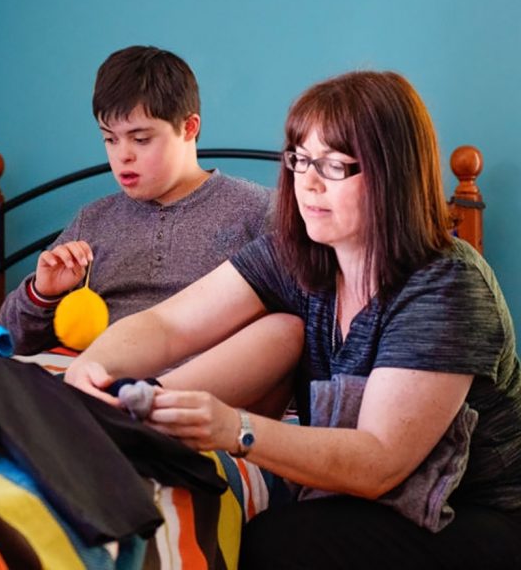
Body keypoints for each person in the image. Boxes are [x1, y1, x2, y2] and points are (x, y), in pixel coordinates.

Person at [65, 70, 521, 568]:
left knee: (279, 542)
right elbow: (169, 325)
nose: (308, 183)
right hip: (380, 496)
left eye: (334, 165)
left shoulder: (445, 284)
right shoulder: (298, 253)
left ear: (395, 173)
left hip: (476, 512)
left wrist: (235, 428)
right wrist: (92, 367)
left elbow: (378, 462)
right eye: (300, 160)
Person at [0, 45, 275, 356]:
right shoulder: (93, 220)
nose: (122, 155)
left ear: (189, 127)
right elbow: (10, 339)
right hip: (98, 377)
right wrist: (43, 293)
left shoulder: (257, 210)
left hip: (207, 379)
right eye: (109, 139)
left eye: (141, 139)